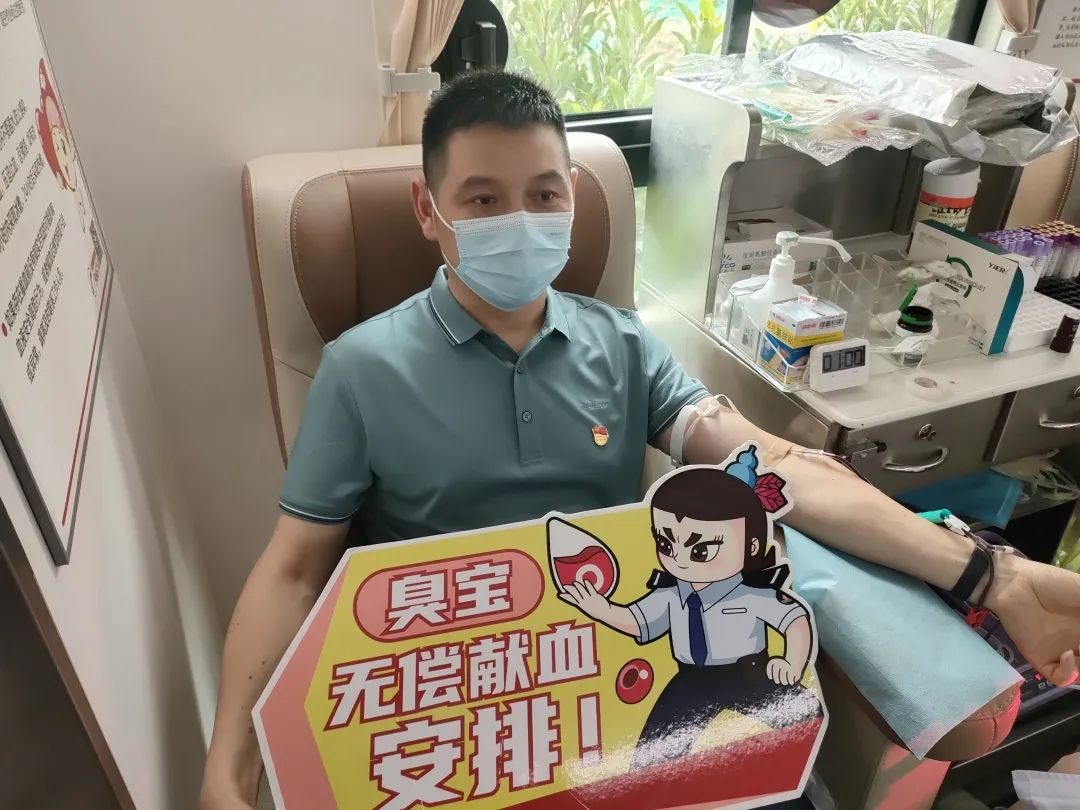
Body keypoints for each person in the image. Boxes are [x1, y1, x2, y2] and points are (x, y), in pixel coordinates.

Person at [199, 70, 1080, 809]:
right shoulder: (360, 370)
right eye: (483, 199)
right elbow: (294, 569)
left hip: (616, 669)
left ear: (571, 201)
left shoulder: (621, 345)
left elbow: (765, 466)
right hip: (459, 690)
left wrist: (989, 573)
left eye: (544, 195)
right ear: (428, 211)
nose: (520, 219)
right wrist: (227, 768)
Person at [561, 448, 819, 770]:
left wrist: (792, 661)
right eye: (666, 544)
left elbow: (795, 621)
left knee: (807, 716)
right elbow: (637, 620)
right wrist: (601, 609)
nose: (680, 560)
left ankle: (788, 775)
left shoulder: (752, 594)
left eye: (701, 550)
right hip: (691, 678)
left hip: (750, 673)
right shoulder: (670, 594)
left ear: (751, 546)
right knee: (650, 757)